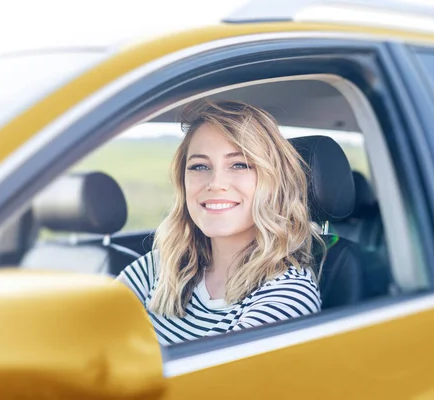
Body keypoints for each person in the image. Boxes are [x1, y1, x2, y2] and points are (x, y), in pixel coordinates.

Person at [117, 99, 324, 346]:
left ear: (275, 182)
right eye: (200, 166)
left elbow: (209, 383)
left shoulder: (288, 295)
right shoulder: (161, 266)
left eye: (240, 164)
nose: (216, 183)